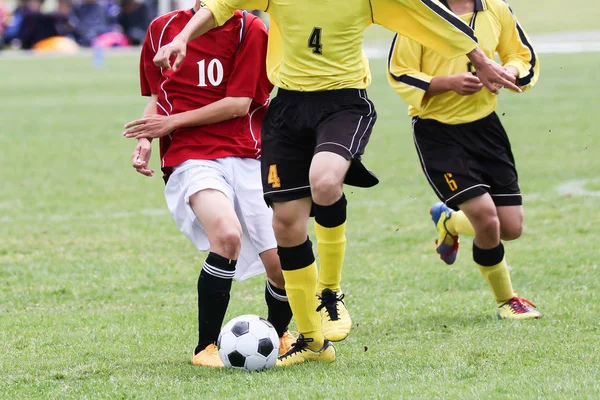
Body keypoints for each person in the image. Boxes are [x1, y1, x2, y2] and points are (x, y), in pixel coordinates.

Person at [152, 0, 521, 366]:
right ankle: (312, 341)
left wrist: (483, 60)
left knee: (325, 182)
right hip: (288, 110)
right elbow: (219, 5)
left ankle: (330, 292)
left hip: (343, 104)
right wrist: (183, 37)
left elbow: (433, 19)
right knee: (285, 223)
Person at [124, 1, 294, 367]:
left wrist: (170, 124)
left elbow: (238, 104)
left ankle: (279, 335)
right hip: (191, 156)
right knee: (227, 235)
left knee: (281, 263)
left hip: (248, 154)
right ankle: (205, 348)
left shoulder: (252, 30)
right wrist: (145, 139)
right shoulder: (161, 29)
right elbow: (157, 100)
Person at [388, 0, 541, 319]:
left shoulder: (495, 8)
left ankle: (449, 221)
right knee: (486, 218)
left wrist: (507, 71)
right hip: (437, 132)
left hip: (486, 128)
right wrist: (446, 84)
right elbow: (399, 72)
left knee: (510, 227)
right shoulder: (421, 12)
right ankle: (506, 301)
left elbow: (521, 55)